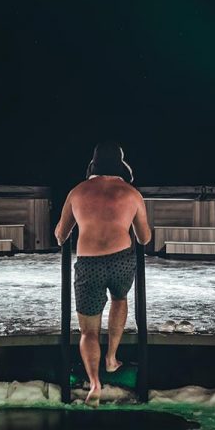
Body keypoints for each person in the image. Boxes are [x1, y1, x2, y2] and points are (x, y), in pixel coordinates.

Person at [54, 142, 151, 406]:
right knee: (120, 299)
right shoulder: (131, 193)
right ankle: (111, 358)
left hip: (89, 264)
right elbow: (144, 237)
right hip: (121, 260)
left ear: (93, 165)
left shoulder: (78, 191)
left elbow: (61, 234)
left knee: (88, 332)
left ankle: (95, 383)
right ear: (121, 164)